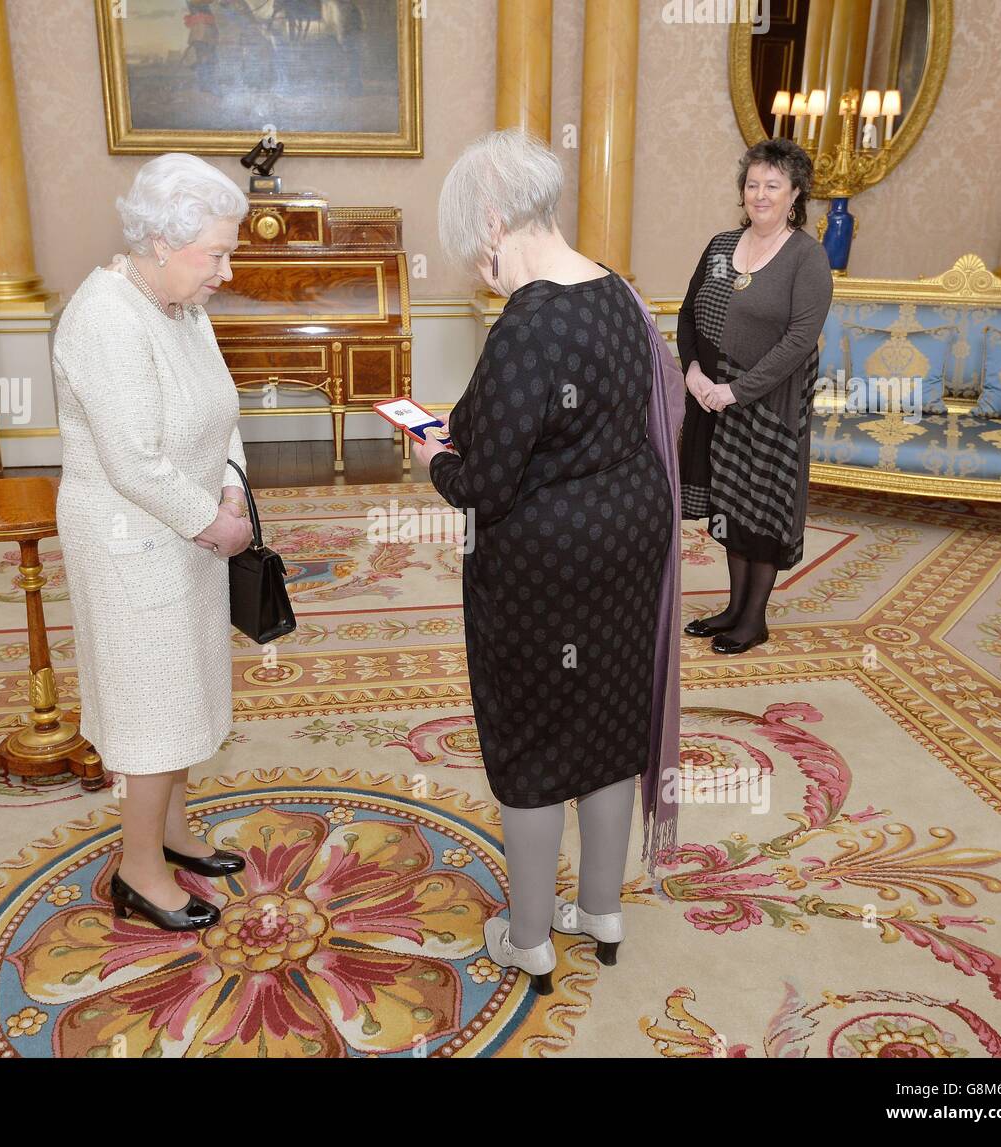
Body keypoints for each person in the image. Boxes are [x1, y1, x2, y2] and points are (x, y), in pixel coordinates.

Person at [414, 129, 683, 994]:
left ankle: (528, 934)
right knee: (605, 720)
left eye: (476, 247)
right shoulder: (615, 289)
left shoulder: (528, 323)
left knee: (532, 736)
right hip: (631, 538)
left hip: (545, 561)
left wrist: (430, 459)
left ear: (494, 217)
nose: (481, 267)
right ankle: (599, 908)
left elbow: (483, 482)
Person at [52, 153, 254, 931]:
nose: (225, 272)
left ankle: (169, 832)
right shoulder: (106, 315)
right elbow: (133, 460)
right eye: (217, 253)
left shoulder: (181, 305)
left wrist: (230, 489)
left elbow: (224, 408)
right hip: (131, 539)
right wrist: (216, 522)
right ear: (164, 243)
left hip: (191, 531)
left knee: (187, 685)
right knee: (151, 704)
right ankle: (137, 870)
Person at [677, 138, 834, 654]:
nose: (760, 195)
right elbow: (689, 312)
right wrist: (694, 371)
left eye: (773, 185)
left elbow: (799, 341)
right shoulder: (722, 246)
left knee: (761, 510)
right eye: (752, 184)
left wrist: (736, 391)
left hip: (768, 405)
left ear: (795, 194)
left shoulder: (806, 258)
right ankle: (733, 607)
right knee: (729, 505)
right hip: (714, 398)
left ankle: (754, 619)